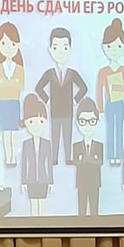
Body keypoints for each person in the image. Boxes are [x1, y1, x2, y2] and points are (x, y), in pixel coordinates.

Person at [35, 27, 88, 165]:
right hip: (55, 110)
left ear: (70, 49)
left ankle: (69, 157)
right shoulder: (50, 73)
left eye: (64, 47)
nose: (60, 52)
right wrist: (47, 100)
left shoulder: (72, 73)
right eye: (55, 47)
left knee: (67, 134)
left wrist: (75, 100)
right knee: (55, 134)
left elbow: (83, 88)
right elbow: (39, 88)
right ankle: (54, 158)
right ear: (50, 49)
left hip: (68, 111)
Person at [96, 19, 124, 167]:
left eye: (118, 46)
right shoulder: (103, 71)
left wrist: (115, 87)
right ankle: (111, 156)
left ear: (123, 47)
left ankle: (119, 156)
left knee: (119, 130)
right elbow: (99, 90)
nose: (114, 50)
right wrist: (100, 109)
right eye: (110, 46)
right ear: (104, 47)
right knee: (110, 130)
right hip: (109, 103)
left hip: (120, 103)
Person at [0, 21, 26, 166]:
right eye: (4, 43)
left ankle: (14, 157)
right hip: (3, 103)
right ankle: (8, 157)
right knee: (6, 132)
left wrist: (6, 83)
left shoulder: (19, 68)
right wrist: (12, 83)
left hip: (14, 103)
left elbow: (20, 85)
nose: (8, 47)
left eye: (12, 44)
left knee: (14, 131)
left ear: (17, 45)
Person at [20, 92, 53, 217]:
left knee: (42, 205)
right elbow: (24, 164)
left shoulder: (47, 143)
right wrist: (23, 181)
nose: (37, 126)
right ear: (26, 123)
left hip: (44, 180)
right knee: (34, 206)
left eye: (41, 121)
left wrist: (51, 181)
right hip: (31, 180)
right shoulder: (26, 144)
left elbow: (49, 164)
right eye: (32, 122)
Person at [71, 98, 103, 217]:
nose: (88, 126)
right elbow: (76, 162)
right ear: (77, 122)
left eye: (92, 121)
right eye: (83, 121)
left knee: (94, 211)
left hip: (95, 183)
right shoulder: (76, 146)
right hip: (81, 183)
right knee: (82, 211)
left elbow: (99, 161)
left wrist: (84, 159)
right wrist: (90, 159)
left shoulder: (99, 145)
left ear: (97, 122)